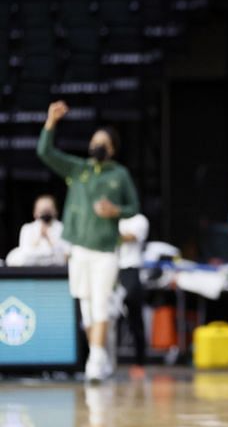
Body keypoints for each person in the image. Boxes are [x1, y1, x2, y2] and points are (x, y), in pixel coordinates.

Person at [37, 101, 140, 382]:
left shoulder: (120, 175)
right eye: (94, 141)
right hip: (78, 249)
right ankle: (100, 355)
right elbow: (45, 152)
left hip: (105, 251)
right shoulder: (78, 169)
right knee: (85, 307)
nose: (97, 145)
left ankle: (95, 360)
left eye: (103, 142)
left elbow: (134, 207)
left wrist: (115, 211)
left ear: (113, 149)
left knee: (101, 305)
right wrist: (51, 122)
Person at [117, 214, 149, 379]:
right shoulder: (113, 220)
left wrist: (105, 233)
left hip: (131, 270)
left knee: (135, 317)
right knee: (109, 316)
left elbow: (130, 237)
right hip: (111, 267)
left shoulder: (139, 220)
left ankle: (140, 362)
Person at [5, 194, 70, 266]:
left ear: (55, 211)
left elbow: (66, 256)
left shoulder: (62, 228)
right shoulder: (28, 228)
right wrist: (39, 237)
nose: (45, 214)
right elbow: (25, 252)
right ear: (35, 212)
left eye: (48, 210)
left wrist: (49, 239)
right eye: (42, 211)